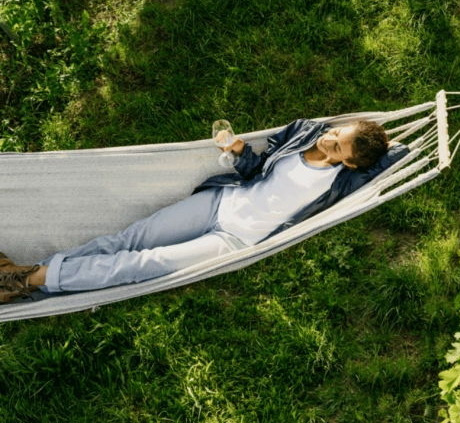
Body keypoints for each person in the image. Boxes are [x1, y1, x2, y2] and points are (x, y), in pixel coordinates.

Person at [0, 118, 407, 302]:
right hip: (221, 201)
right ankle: (24, 281)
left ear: (351, 163)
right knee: (126, 239)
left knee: (142, 263)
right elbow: (257, 168)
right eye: (338, 132)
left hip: (233, 239)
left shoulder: (344, 181)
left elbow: (397, 155)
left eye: (338, 147)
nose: (329, 140)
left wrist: (403, 136)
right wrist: (238, 150)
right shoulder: (304, 132)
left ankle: (30, 277)